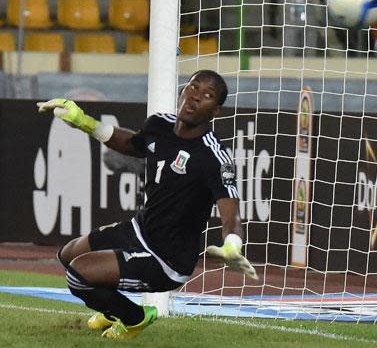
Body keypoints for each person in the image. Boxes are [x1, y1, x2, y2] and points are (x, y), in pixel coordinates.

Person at [37, 70, 257, 339]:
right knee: (67, 255)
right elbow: (132, 144)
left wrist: (232, 245)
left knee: (78, 275)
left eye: (207, 95)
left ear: (217, 111)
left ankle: (135, 318)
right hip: (139, 230)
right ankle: (112, 310)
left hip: (166, 259)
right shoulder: (159, 125)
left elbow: (230, 211)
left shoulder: (214, 157)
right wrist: (83, 121)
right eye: (193, 87)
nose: (195, 97)